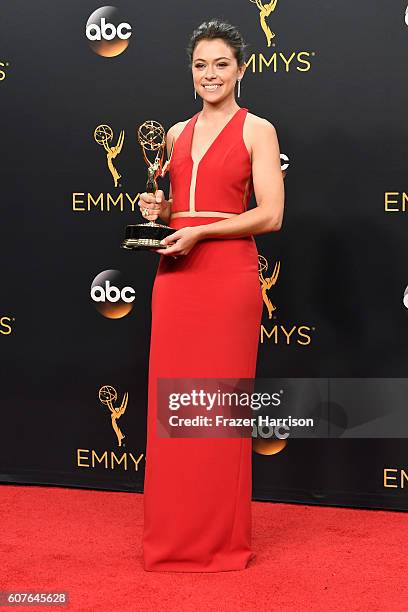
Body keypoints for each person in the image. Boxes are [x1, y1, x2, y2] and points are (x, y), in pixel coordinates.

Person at [140, 18, 284, 572]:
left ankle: (219, 544)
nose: (210, 74)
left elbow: (270, 214)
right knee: (173, 408)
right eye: (201, 64)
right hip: (176, 282)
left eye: (221, 63)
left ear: (241, 69)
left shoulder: (258, 130)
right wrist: (162, 216)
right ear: (191, 72)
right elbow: (180, 211)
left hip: (228, 279)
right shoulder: (176, 133)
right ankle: (172, 541)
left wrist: (201, 231)